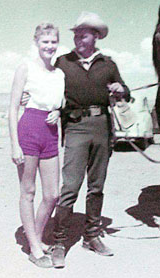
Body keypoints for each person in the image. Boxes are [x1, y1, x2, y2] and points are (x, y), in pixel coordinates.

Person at [49, 12, 130, 268]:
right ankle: (58, 241)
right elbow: (46, 88)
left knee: (96, 186)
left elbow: (125, 92)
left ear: (95, 36)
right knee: (70, 186)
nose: (77, 38)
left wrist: (121, 90)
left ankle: (92, 236)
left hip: (102, 128)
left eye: (83, 33)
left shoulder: (108, 63)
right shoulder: (62, 62)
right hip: (75, 127)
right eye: (75, 33)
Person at [8, 23, 65, 268]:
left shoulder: (60, 73)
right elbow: (12, 108)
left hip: (50, 132)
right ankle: (34, 247)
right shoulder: (26, 68)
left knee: (52, 194)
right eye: (45, 42)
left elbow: (58, 101)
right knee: (28, 191)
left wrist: (59, 112)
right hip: (29, 128)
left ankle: (36, 237)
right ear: (36, 43)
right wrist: (14, 145)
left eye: (53, 42)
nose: (49, 46)